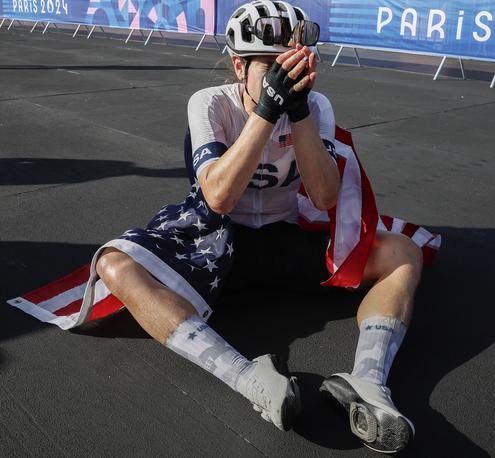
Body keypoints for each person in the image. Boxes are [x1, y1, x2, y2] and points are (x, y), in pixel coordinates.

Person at [94, 1, 422, 453]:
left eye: (293, 64)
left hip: (287, 237)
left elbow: (325, 196)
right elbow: (219, 197)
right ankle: (246, 378)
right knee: (115, 263)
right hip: (220, 241)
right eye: (270, 65)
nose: (283, 77)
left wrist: (300, 112)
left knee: (402, 252)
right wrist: (266, 111)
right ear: (238, 65)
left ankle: (367, 381)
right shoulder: (210, 103)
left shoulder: (316, 105)